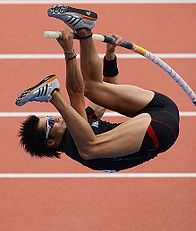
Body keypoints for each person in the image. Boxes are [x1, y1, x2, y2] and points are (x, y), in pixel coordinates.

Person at [16, 5, 180, 172]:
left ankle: (84, 29)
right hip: (160, 125)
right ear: (50, 141)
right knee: (89, 149)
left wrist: (110, 58)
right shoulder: (75, 145)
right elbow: (75, 93)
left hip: (162, 113)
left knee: (92, 88)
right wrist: (68, 51)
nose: (57, 119)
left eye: (51, 117)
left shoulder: (78, 128)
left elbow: (107, 93)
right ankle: (52, 95)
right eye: (51, 123)